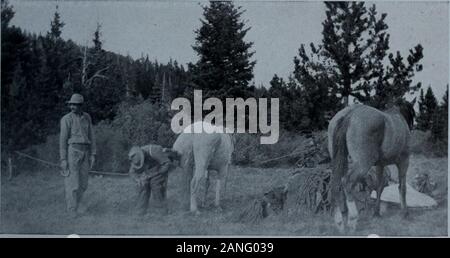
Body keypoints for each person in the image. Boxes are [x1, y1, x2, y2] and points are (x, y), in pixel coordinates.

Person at [60, 93, 96, 218]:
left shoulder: (87, 117)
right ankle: (71, 209)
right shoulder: (66, 119)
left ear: (81, 106)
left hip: (85, 152)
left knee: (84, 183)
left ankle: (79, 204)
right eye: (71, 104)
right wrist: (63, 159)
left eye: (75, 105)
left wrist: (93, 154)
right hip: (73, 152)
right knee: (72, 183)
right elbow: (63, 140)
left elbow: (92, 136)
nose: (72, 107)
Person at [128, 144, 178, 216]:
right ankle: (140, 211)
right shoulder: (135, 157)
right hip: (148, 172)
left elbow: (167, 163)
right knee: (143, 186)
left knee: (156, 186)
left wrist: (158, 173)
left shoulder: (154, 150)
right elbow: (132, 172)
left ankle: (161, 211)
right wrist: (138, 180)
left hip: (160, 169)